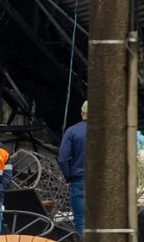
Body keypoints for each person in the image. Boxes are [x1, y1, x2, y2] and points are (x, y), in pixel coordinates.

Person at [58, 101, 87, 236]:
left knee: (81, 221)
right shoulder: (104, 133)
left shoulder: (72, 131)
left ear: (82, 113)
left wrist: (68, 176)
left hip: (78, 180)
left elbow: (62, 159)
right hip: (100, 182)